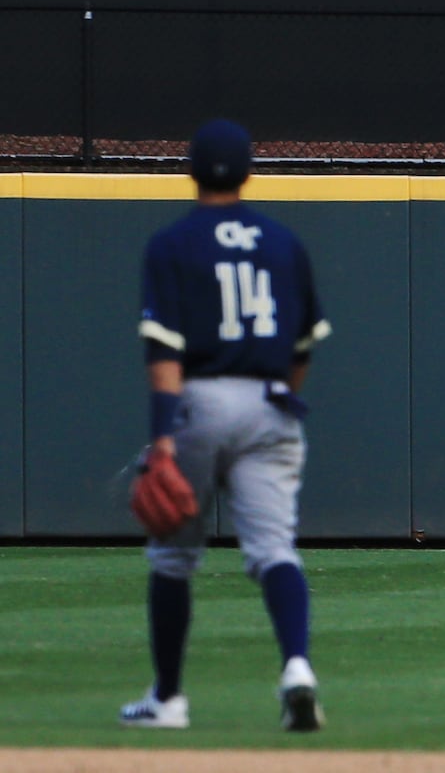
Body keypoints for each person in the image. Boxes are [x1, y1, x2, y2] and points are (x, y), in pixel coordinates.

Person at [119, 119, 332, 731]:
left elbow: (164, 355)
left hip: (202, 401)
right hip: (270, 403)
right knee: (273, 549)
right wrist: (282, 400)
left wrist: (163, 438)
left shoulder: (171, 244)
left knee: (171, 558)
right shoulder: (283, 243)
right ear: (248, 173)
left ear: (190, 170)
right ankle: (297, 667)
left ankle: (168, 699)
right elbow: (304, 348)